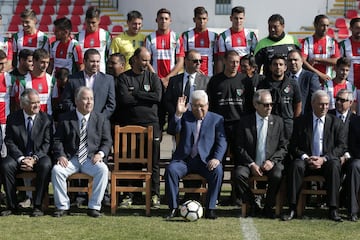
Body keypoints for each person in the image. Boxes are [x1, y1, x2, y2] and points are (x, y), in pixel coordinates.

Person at [282, 90, 346, 222]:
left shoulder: (336, 122)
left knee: (335, 165)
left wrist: (323, 159)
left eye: (327, 104)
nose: (324, 107)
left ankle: (333, 209)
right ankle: (292, 208)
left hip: (326, 161)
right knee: (296, 166)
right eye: (321, 104)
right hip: (307, 160)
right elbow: (293, 146)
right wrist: (306, 157)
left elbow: (341, 146)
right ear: (312, 104)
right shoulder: (300, 122)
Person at [165, 90, 227, 220]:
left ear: (207, 105)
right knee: (171, 170)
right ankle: (173, 208)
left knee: (218, 170)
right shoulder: (184, 116)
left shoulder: (217, 119)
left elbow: (222, 142)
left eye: (202, 106)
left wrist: (216, 158)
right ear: (190, 105)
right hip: (184, 161)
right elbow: (172, 130)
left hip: (205, 161)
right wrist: (178, 114)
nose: (199, 109)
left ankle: (210, 209)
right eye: (195, 106)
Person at [52, 87, 111, 218]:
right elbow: (57, 140)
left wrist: (100, 154)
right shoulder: (65, 118)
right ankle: (62, 206)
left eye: (91, 99)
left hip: (91, 159)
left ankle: (94, 207)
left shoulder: (101, 118)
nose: (89, 102)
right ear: (77, 101)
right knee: (57, 170)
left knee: (103, 170)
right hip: (71, 159)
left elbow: (107, 141)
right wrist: (61, 155)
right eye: (85, 99)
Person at [115, 47, 163, 208]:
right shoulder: (123, 78)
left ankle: (154, 195)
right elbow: (124, 100)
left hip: (151, 125)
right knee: (129, 161)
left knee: (153, 162)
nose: (146, 63)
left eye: (148, 60)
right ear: (135, 59)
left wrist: (136, 93)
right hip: (129, 126)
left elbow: (157, 97)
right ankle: (129, 194)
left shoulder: (153, 77)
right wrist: (144, 97)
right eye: (143, 60)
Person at [233, 89, 287, 218]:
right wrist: (251, 164)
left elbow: (283, 147)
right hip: (249, 163)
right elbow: (239, 147)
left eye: (271, 104)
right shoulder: (245, 122)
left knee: (278, 173)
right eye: (265, 104)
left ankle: (268, 207)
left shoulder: (278, 122)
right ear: (255, 105)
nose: (269, 107)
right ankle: (253, 204)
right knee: (238, 174)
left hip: (270, 163)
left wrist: (272, 161)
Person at [0, 89, 53, 217]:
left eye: (38, 102)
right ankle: (12, 206)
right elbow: (9, 141)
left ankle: (38, 205)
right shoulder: (13, 118)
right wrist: (22, 158)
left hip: (38, 156)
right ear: (23, 104)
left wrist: (34, 158)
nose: (37, 106)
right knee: (5, 165)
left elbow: (47, 143)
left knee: (46, 165)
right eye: (33, 103)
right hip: (19, 157)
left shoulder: (46, 119)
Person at [207, 50, 246, 150]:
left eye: (237, 62)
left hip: (239, 124)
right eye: (232, 62)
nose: (235, 65)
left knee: (239, 158)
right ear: (224, 61)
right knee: (219, 155)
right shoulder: (215, 81)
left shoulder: (245, 80)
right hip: (220, 124)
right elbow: (210, 104)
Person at [61, 48, 116, 120]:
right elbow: (66, 100)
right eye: (92, 61)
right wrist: (78, 115)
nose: (95, 64)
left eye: (98, 61)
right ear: (84, 61)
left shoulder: (108, 80)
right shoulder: (73, 79)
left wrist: (100, 118)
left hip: (99, 123)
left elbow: (111, 104)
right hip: (77, 121)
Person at [257, 55, 302, 139]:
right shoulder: (263, 84)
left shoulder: (293, 84)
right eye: (275, 64)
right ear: (270, 67)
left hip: (287, 124)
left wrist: (295, 121)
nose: (278, 67)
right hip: (269, 123)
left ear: (285, 67)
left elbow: (298, 104)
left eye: (281, 64)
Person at [165, 49, 210, 122]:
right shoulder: (174, 80)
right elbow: (167, 101)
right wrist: (177, 113)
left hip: (198, 120)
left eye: (200, 61)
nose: (198, 63)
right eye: (195, 61)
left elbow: (209, 102)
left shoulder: (206, 81)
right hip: (178, 118)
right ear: (186, 61)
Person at [144, 8, 185, 88]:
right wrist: (156, 79)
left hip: (173, 80)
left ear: (170, 21)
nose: (163, 21)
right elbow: (147, 62)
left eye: (166, 19)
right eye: (161, 18)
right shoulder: (149, 38)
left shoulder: (176, 38)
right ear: (156, 20)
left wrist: (167, 78)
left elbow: (180, 61)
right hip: (155, 80)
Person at [216, 6, 257, 74]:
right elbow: (220, 60)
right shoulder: (223, 36)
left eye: (241, 18)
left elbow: (255, 57)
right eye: (236, 18)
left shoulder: (251, 35)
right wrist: (219, 77)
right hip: (230, 75)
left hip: (246, 75)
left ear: (244, 19)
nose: (238, 21)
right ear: (231, 18)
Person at [301, 15, 340, 84]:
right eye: (322, 25)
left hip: (328, 81)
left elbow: (336, 61)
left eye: (327, 26)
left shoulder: (332, 42)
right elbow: (302, 61)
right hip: (311, 81)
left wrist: (317, 59)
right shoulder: (307, 41)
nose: (325, 28)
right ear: (315, 25)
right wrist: (320, 74)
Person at [182, 6, 217, 76]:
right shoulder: (186, 35)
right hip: (191, 75)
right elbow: (183, 58)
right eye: (199, 18)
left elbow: (217, 59)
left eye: (204, 19)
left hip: (208, 76)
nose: (202, 21)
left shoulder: (214, 36)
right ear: (194, 19)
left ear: (207, 19)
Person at [75, 6, 111, 73]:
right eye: (88, 22)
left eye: (93, 22)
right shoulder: (78, 36)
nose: (91, 25)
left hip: (101, 74)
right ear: (85, 20)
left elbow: (109, 56)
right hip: (84, 75)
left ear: (99, 20)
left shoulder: (106, 35)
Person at [287, 49, 321, 114]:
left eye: (295, 60)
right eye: (290, 60)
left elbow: (316, 99)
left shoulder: (311, 77)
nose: (292, 62)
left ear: (302, 61)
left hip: (304, 117)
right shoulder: (284, 77)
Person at [340, 17, 360, 113]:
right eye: (357, 28)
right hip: (350, 87)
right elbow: (338, 65)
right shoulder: (344, 45)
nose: (359, 30)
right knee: (351, 114)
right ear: (351, 28)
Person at [0, 50, 12, 158]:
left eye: (4, 63)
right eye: (0, 63)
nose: (3, 66)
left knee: (4, 155)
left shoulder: (9, 78)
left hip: (4, 122)